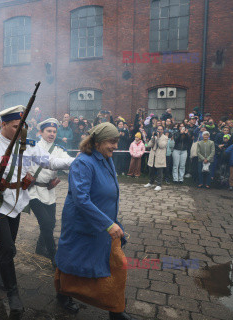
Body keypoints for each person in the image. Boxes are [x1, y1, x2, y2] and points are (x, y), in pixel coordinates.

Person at [0, 106, 74, 315]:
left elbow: (51, 161)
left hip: (17, 203)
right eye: (15, 127)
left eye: (22, 127)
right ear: (3, 124)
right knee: (8, 248)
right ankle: (13, 294)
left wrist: (78, 161)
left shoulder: (29, 146)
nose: (19, 131)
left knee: (6, 245)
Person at [55, 122, 136, 320]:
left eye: (117, 141)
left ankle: (116, 311)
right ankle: (63, 294)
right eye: (112, 141)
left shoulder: (105, 157)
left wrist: (110, 220)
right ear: (98, 142)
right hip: (83, 225)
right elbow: (81, 198)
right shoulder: (83, 162)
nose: (115, 146)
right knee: (71, 262)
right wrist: (108, 224)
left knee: (113, 265)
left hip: (103, 222)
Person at [28, 119, 74, 269]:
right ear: (41, 132)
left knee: (52, 223)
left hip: (49, 190)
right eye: (49, 131)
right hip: (33, 190)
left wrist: (80, 162)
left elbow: (67, 164)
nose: (52, 134)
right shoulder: (32, 147)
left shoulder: (59, 149)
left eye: (54, 131)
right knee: (46, 223)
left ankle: (40, 248)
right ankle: (54, 256)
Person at [144, 125, 168, 191]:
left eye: (160, 129)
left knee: (159, 171)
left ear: (163, 130)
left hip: (160, 156)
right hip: (153, 155)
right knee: (151, 170)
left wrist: (158, 138)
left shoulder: (165, 137)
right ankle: (150, 182)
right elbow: (148, 145)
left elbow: (161, 145)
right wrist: (153, 139)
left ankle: (159, 185)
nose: (159, 131)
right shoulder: (153, 136)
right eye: (158, 129)